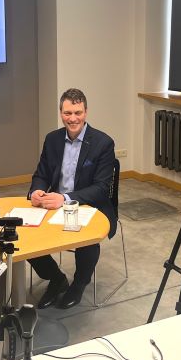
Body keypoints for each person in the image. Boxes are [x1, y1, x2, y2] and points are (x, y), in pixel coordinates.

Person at [28, 88, 117, 310]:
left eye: (78, 113)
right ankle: (56, 278)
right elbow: (41, 174)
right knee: (23, 235)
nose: (73, 118)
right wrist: (37, 191)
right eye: (67, 113)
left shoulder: (103, 143)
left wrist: (65, 198)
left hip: (90, 205)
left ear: (86, 112)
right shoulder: (52, 139)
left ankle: (78, 284)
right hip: (55, 203)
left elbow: (101, 188)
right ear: (61, 113)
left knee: (87, 239)